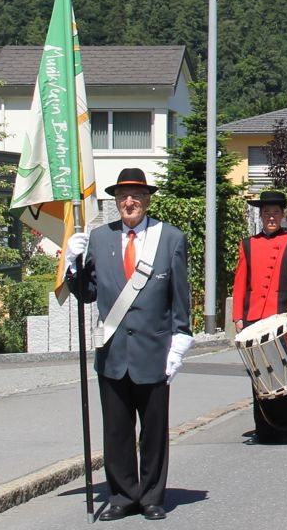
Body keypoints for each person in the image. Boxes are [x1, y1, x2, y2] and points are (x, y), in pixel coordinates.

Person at [65, 168, 191, 521]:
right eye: (122, 196)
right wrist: (72, 264)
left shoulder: (169, 238)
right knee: (117, 430)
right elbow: (87, 293)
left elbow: (179, 296)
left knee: (153, 431)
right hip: (114, 352)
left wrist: (180, 341)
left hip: (153, 350)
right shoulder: (99, 238)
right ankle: (122, 495)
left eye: (135, 195)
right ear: (116, 201)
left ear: (147, 199)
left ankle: (151, 495)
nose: (129, 202)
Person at [232, 190, 287, 445]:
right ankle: (263, 427)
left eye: (275, 213)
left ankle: (286, 425)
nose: (271, 217)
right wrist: (238, 318)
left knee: (285, 372)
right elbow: (241, 283)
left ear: (282, 214)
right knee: (259, 375)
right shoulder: (248, 244)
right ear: (261, 216)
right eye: (266, 214)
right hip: (254, 319)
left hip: (280, 319)